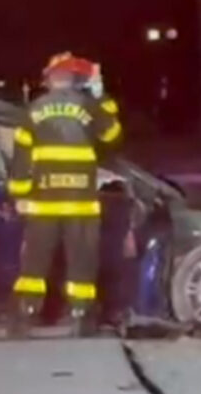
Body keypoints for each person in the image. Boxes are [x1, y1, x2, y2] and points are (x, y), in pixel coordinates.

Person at [6, 52, 122, 338]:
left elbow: (21, 159)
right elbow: (112, 136)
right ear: (76, 80)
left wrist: (19, 194)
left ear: (50, 79)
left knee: (35, 262)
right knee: (82, 262)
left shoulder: (33, 110)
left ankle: (25, 316)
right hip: (81, 203)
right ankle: (81, 317)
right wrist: (101, 95)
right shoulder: (89, 106)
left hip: (44, 202)